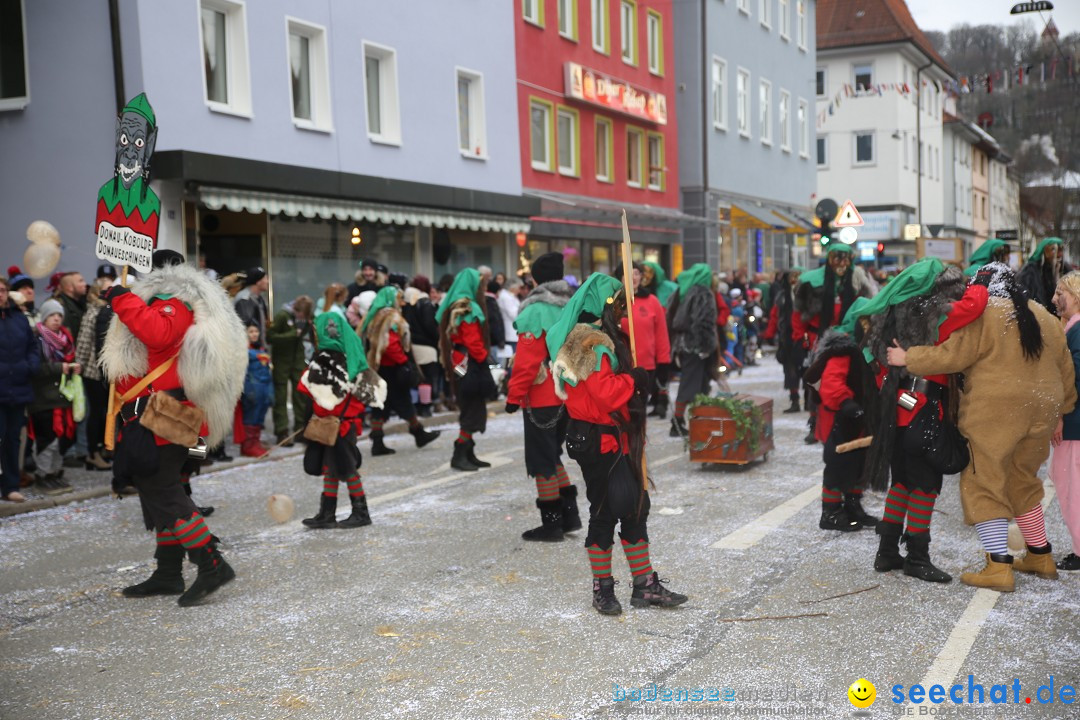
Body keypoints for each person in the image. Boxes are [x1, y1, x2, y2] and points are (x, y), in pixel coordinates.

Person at [887, 263, 1076, 592]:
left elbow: (953, 355)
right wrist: (1065, 409)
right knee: (1023, 479)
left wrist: (909, 358)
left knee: (983, 481)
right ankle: (1040, 555)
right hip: (1043, 409)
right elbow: (1065, 368)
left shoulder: (986, 312)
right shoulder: (1043, 316)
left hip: (995, 410)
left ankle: (998, 566)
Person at [100, 249, 246, 606]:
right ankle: (168, 572)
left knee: (163, 490)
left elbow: (161, 334)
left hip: (160, 415)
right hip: (151, 414)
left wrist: (122, 299)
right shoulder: (176, 301)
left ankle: (211, 564)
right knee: (157, 495)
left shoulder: (174, 301)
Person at [547, 273, 688, 615]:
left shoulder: (598, 340)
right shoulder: (590, 345)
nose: (625, 312)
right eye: (621, 304)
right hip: (598, 441)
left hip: (614, 436)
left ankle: (644, 585)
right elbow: (607, 394)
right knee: (605, 512)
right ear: (604, 306)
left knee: (636, 506)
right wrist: (634, 380)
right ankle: (603, 588)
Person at [861, 260, 982, 583]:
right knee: (926, 484)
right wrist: (980, 283)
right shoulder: (933, 311)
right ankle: (917, 556)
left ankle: (887, 552)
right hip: (924, 407)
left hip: (898, 407)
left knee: (903, 480)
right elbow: (973, 307)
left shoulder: (896, 309)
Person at [505, 252, 580, 541]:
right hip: (568, 393)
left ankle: (551, 524)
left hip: (542, 396)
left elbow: (526, 361)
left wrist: (514, 396)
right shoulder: (572, 306)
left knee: (541, 461)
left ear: (535, 278)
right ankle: (569, 515)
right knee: (553, 455)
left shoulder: (535, 310)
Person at [298, 312, 383, 530]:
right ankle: (327, 513)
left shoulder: (326, 361)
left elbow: (319, 397)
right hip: (341, 423)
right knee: (331, 468)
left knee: (346, 469)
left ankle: (360, 511)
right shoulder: (351, 358)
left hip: (338, 424)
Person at [803, 297, 877, 532]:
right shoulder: (842, 350)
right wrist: (846, 402)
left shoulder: (866, 349)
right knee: (837, 465)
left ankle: (852, 505)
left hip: (858, 419)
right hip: (839, 418)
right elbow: (832, 382)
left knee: (859, 463)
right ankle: (831, 511)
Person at [794, 241, 876, 443]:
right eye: (837, 258)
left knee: (850, 381)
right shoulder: (811, 281)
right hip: (820, 339)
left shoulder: (858, 281)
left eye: (846, 258)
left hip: (851, 337)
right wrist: (802, 339)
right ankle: (815, 423)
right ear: (829, 259)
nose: (842, 262)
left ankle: (853, 420)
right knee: (817, 381)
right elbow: (798, 316)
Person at [359, 286, 440, 455]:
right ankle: (418, 432)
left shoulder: (373, 315)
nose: (401, 302)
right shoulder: (391, 317)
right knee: (403, 401)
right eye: (399, 298)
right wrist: (404, 361)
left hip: (377, 366)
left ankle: (378, 440)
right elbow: (390, 343)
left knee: (380, 405)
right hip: (392, 368)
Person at [436, 268, 496, 472]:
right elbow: (473, 340)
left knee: (468, 402)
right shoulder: (467, 307)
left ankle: (468, 453)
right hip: (470, 362)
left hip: (459, 361)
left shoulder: (454, 303)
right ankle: (460, 454)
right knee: (472, 405)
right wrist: (484, 358)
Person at [29, 298, 78, 495]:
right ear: (44, 317)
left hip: (63, 396)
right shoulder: (37, 340)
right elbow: (35, 369)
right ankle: (43, 475)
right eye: (52, 315)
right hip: (42, 398)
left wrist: (74, 367)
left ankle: (55, 472)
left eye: (59, 315)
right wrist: (60, 367)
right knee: (47, 438)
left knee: (63, 438)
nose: (56, 319)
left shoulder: (66, 340)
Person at [666, 264, 719, 437]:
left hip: (682, 344)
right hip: (696, 346)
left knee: (695, 383)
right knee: (693, 385)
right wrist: (705, 346)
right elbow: (704, 322)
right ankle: (679, 421)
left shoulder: (682, 291)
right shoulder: (703, 293)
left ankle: (697, 420)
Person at [614, 262, 671, 422]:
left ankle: (638, 445)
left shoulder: (652, 301)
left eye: (637, 273)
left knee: (639, 412)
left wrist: (664, 363)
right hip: (620, 366)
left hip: (646, 367)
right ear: (620, 278)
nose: (634, 277)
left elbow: (661, 335)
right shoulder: (614, 302)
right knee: (622, 414)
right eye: (628, 273)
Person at [1050, 271, 1080, 571]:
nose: (1055, 299)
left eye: (1062, 293)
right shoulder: (1073, 328)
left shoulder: (1078, 330)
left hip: (1075, 425)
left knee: (1072, 487)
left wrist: (1060, 416)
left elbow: (1076, 380)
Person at [0, 277, 38, 503]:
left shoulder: (19, 318)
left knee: (13, 439)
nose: (0, 294)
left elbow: (33, 346)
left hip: (18, 388)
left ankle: (11, 485)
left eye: (3, 290)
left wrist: (30, 366)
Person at [73, 271, 113, 471]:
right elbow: (83, 341)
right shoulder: (93, 313)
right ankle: (93, 452)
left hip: (107, 371)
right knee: (96, 413)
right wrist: (79, 365)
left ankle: (104, 448)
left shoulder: (111, 311)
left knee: (106, 412)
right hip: (93, 371)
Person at [267, 295, 314, 446]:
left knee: (300, 395)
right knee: (280, 398)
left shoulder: (307, 316)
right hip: (282, 360)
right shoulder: (282, 315)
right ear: (296, 309)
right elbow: (270, 337)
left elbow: (307, 332)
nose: (302, 317)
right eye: (301, 314)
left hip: (298, 360)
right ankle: (282, 432)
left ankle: (300, 430)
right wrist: (292, 334)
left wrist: (308, 323)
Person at [402, 277, 439, 417]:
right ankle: (425, 407)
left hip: (411, 344)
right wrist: (437, 339)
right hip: (427, 345)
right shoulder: (425, 302)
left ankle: (415, 406)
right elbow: (430, 325)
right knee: (427, 378)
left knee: (416, 377)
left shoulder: (407, 301)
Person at [240, 322, 274, 458]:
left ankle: (255, 443)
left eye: (256, 331)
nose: (254, 334)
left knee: (260, 418)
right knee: (251, 418)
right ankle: (248, 446)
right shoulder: (243, 351)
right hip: (252, 389)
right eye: (251, 331)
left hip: (264, 389)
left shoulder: (261, 348)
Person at [1018, 237, 1072, 315]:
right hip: (1041, 316)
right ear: (1044, 252)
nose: (1059, 254)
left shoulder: (1065, 269)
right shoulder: (1030, 272)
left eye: (1061, 250)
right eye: (1054, 250)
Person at [232, 266, 269, 345]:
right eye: (265, 278)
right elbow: (244, 327)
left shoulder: (260, 299)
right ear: (258, 282)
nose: (267, 281)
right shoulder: (244, 299)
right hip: (248, 350)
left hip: (257, 349)